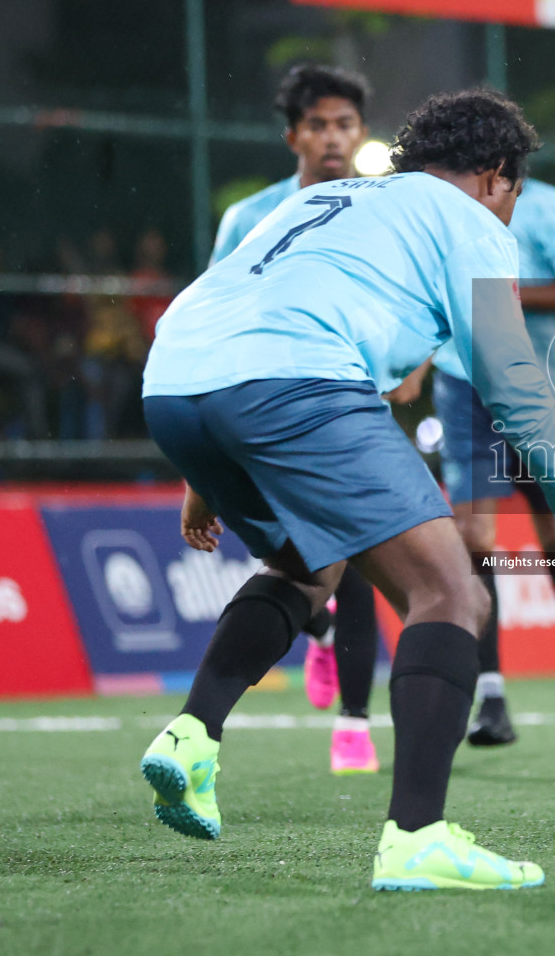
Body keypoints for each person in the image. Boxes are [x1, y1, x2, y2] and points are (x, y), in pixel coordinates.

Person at [138, 88, 555, 891]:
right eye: (513, 197)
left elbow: (240, 307)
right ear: (496, 177)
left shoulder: (327, 199)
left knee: (308, 568)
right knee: (451, 593)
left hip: (174, 382)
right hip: (291, 383)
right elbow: (516, 383)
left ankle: (192, 736)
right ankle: (417, 837)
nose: (510, 214)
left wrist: (201, 478)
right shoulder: (471, 221)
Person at [208, 62, 390, 775]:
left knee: (359, 560)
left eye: (345, 123)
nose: (333, 137)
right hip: (261, 408)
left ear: (362, 133)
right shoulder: (247, 220)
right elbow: (216, 312)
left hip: (350, 404)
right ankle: (316, 628)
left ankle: (354, 726)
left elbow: (403, 298)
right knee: (290, 559)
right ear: (293, 136)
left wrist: (411, 367)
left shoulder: (379, 212)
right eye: (318, 124)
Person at [424, 177, 555, 747]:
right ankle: (492, 696)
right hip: (462, 386)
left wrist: (504, 297)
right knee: (474, 538)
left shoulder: (550, 207)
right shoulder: (436, 208)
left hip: (534, 386)